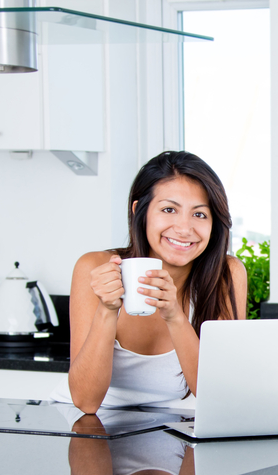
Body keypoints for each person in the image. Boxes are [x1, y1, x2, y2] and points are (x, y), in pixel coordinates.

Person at [60, 151, 247, 413]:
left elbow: (220, 396)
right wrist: (107, 309)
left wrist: (175, 316)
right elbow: (86, 402)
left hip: (172, 429)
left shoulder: (226, 273)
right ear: (141, 211)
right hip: (94, 427)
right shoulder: (95, 267)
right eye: (169, 209)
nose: (184, 229)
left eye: (200, 214)